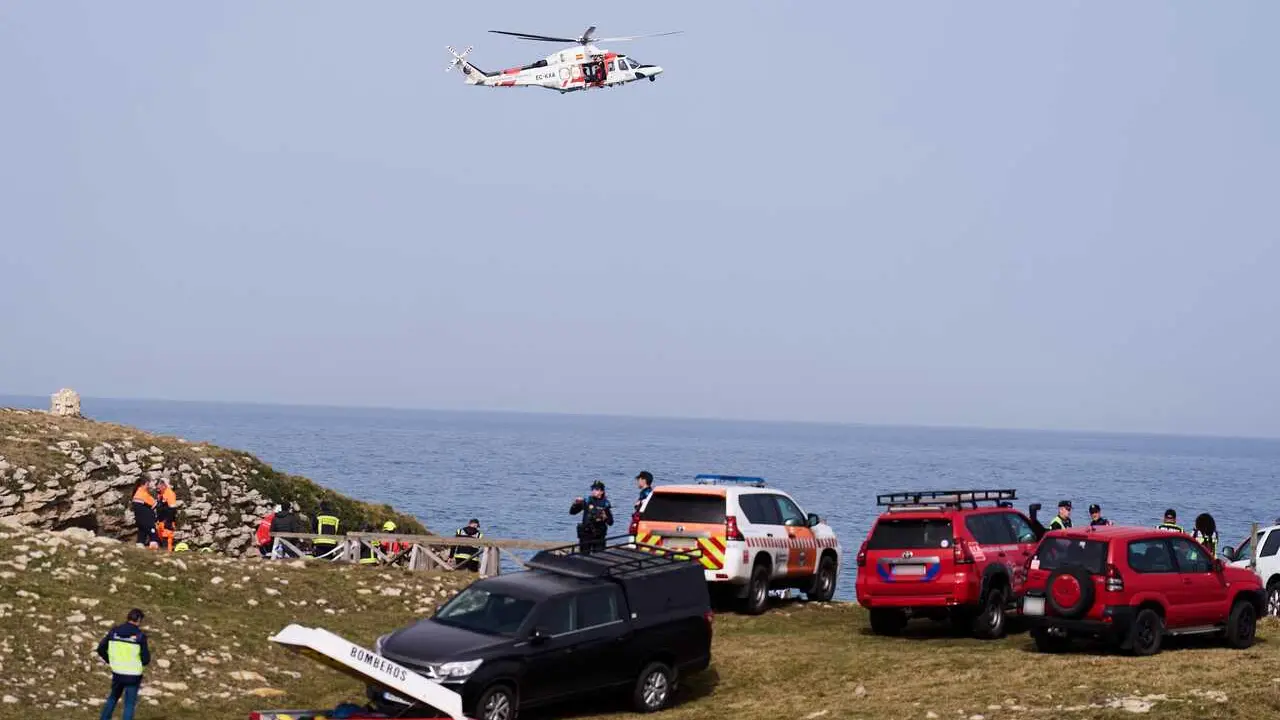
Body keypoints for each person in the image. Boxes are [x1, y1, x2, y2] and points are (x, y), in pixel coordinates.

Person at [96, 608, 150, 720]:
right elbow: (146, 659)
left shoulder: (114, 631)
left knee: (113, 698)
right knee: (129, 705)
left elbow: (101, 648)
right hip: (133, 675)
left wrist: (110, 660)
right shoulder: (139, 635)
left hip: (117, 672)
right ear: (139, 619)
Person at [570, 480, 614, 554]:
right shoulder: (587, 501)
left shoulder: (605, 504)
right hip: (586, 534)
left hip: (599, 535)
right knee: (584, 556)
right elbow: (572, 512)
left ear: (602, 492)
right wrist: (576, 504)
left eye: (596, 489)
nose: (594, 491)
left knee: (599, 557)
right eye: (593, 489)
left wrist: (604, 517)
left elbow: (611, 522)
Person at [130, 480, 159, 550]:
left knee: (142, 532)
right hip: (146, 519)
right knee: (153, 533)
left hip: (140, 519)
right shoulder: (143, 493)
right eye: (147, 484)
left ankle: (139, 546)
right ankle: (153, 548)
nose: (148, 486)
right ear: (142, 485)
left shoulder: (136, 493)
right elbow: (154, 504)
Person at [154, 479, 178, 552]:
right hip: (161, 521)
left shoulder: (169, 493)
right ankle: (162, 554)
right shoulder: (161, 494)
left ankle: (168, 554)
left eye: (158, 488)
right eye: (157, 488)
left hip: (167, 521)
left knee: (167, 538)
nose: (157, 490)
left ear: (163, 486)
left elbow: (172, 509)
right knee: (160, 538)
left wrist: (167, 521)